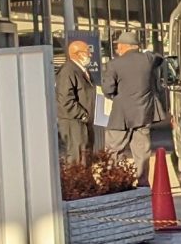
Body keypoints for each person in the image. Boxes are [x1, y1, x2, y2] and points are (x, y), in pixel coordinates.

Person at [102, 33, 169, 158]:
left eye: (118, 46)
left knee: (113, 150)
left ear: (122, 46)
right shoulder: (148, 59)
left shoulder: (114, 64)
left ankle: (115, 171)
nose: (117, 49)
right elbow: (159, 58)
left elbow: (108, 89)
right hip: (143, 114)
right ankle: (142, 172)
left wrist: (115, 95)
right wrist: (145, 52)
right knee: (142, 152)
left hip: (121, 116)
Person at [55, 37, 98, 165]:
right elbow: (65, 99)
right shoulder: (68, 71)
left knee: (86, 157)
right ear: (77, 54)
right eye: (87, 52)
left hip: (84, 122)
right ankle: (78, 178)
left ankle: (85, 178)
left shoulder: (81, 70)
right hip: (74, 122)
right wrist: (83, 115)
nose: (90, 55)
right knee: (77, 158)